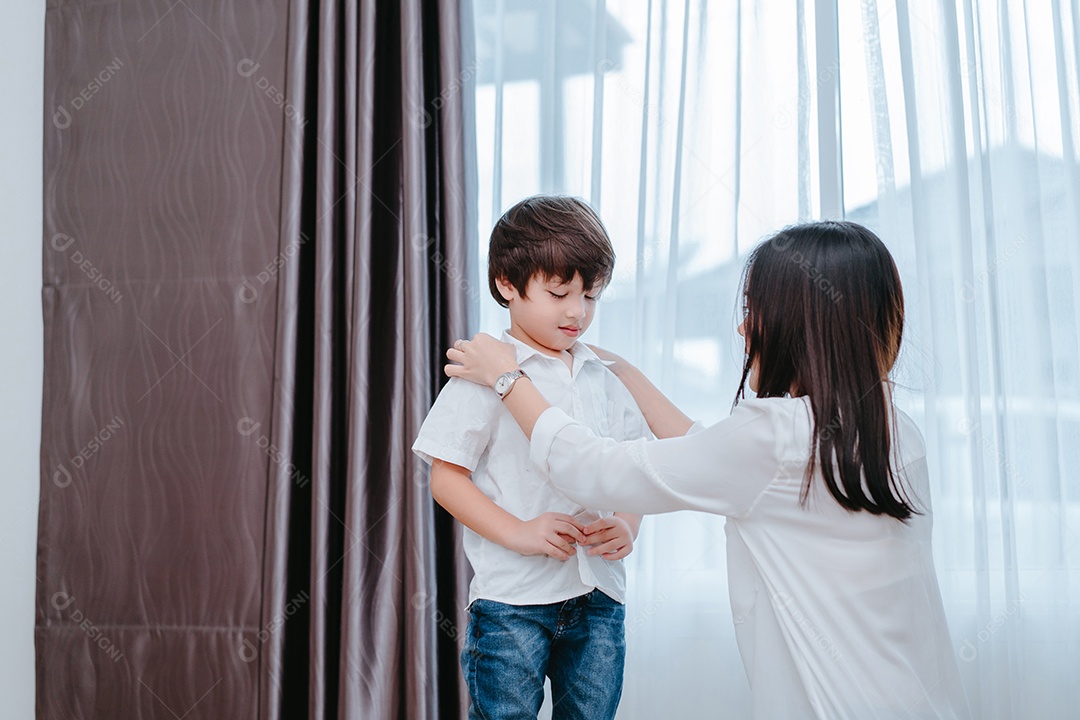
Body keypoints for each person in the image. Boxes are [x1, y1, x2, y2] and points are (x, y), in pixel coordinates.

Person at [445, 220, 973, 720]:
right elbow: (710, 455)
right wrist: (621, 372)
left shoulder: (772, 436)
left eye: (755, 309)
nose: (744, 328)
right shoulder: (893, 430)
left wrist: (509, 379)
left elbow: (593, 467)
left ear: (801, 325)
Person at [412, 195, 651, 720]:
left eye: (590, 295)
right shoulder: (485, 371)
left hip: (599, 596)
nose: (577, 312)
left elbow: (634, 469)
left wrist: (627, 524)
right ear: (506, 285)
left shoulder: (605, 376)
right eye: (559, 292)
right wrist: (521, 534)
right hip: (512, 601)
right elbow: (446, 480)